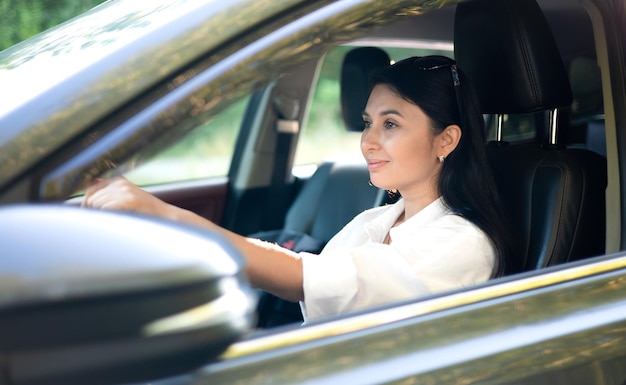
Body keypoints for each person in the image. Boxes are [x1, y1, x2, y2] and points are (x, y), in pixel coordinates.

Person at [82, 55, 514, 322]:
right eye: (368, 123)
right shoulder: (373, 221)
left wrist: (167, 216)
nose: (367, 141)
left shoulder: (462, 242)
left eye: (391, 124)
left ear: (447, 140)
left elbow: (303, 277)